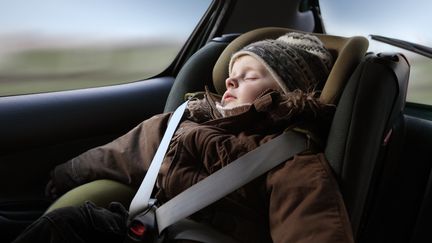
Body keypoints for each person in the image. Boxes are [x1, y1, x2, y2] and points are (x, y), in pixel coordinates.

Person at [13, 32, 354, 243]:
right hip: (143, 228)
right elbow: (121, 153)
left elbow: (311, 228)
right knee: (67, 223)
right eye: (231, 75)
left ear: (288, 93)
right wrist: (67, 174)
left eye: (248, 76)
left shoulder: (291, 159)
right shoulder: (184, 122)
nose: (230, 83)